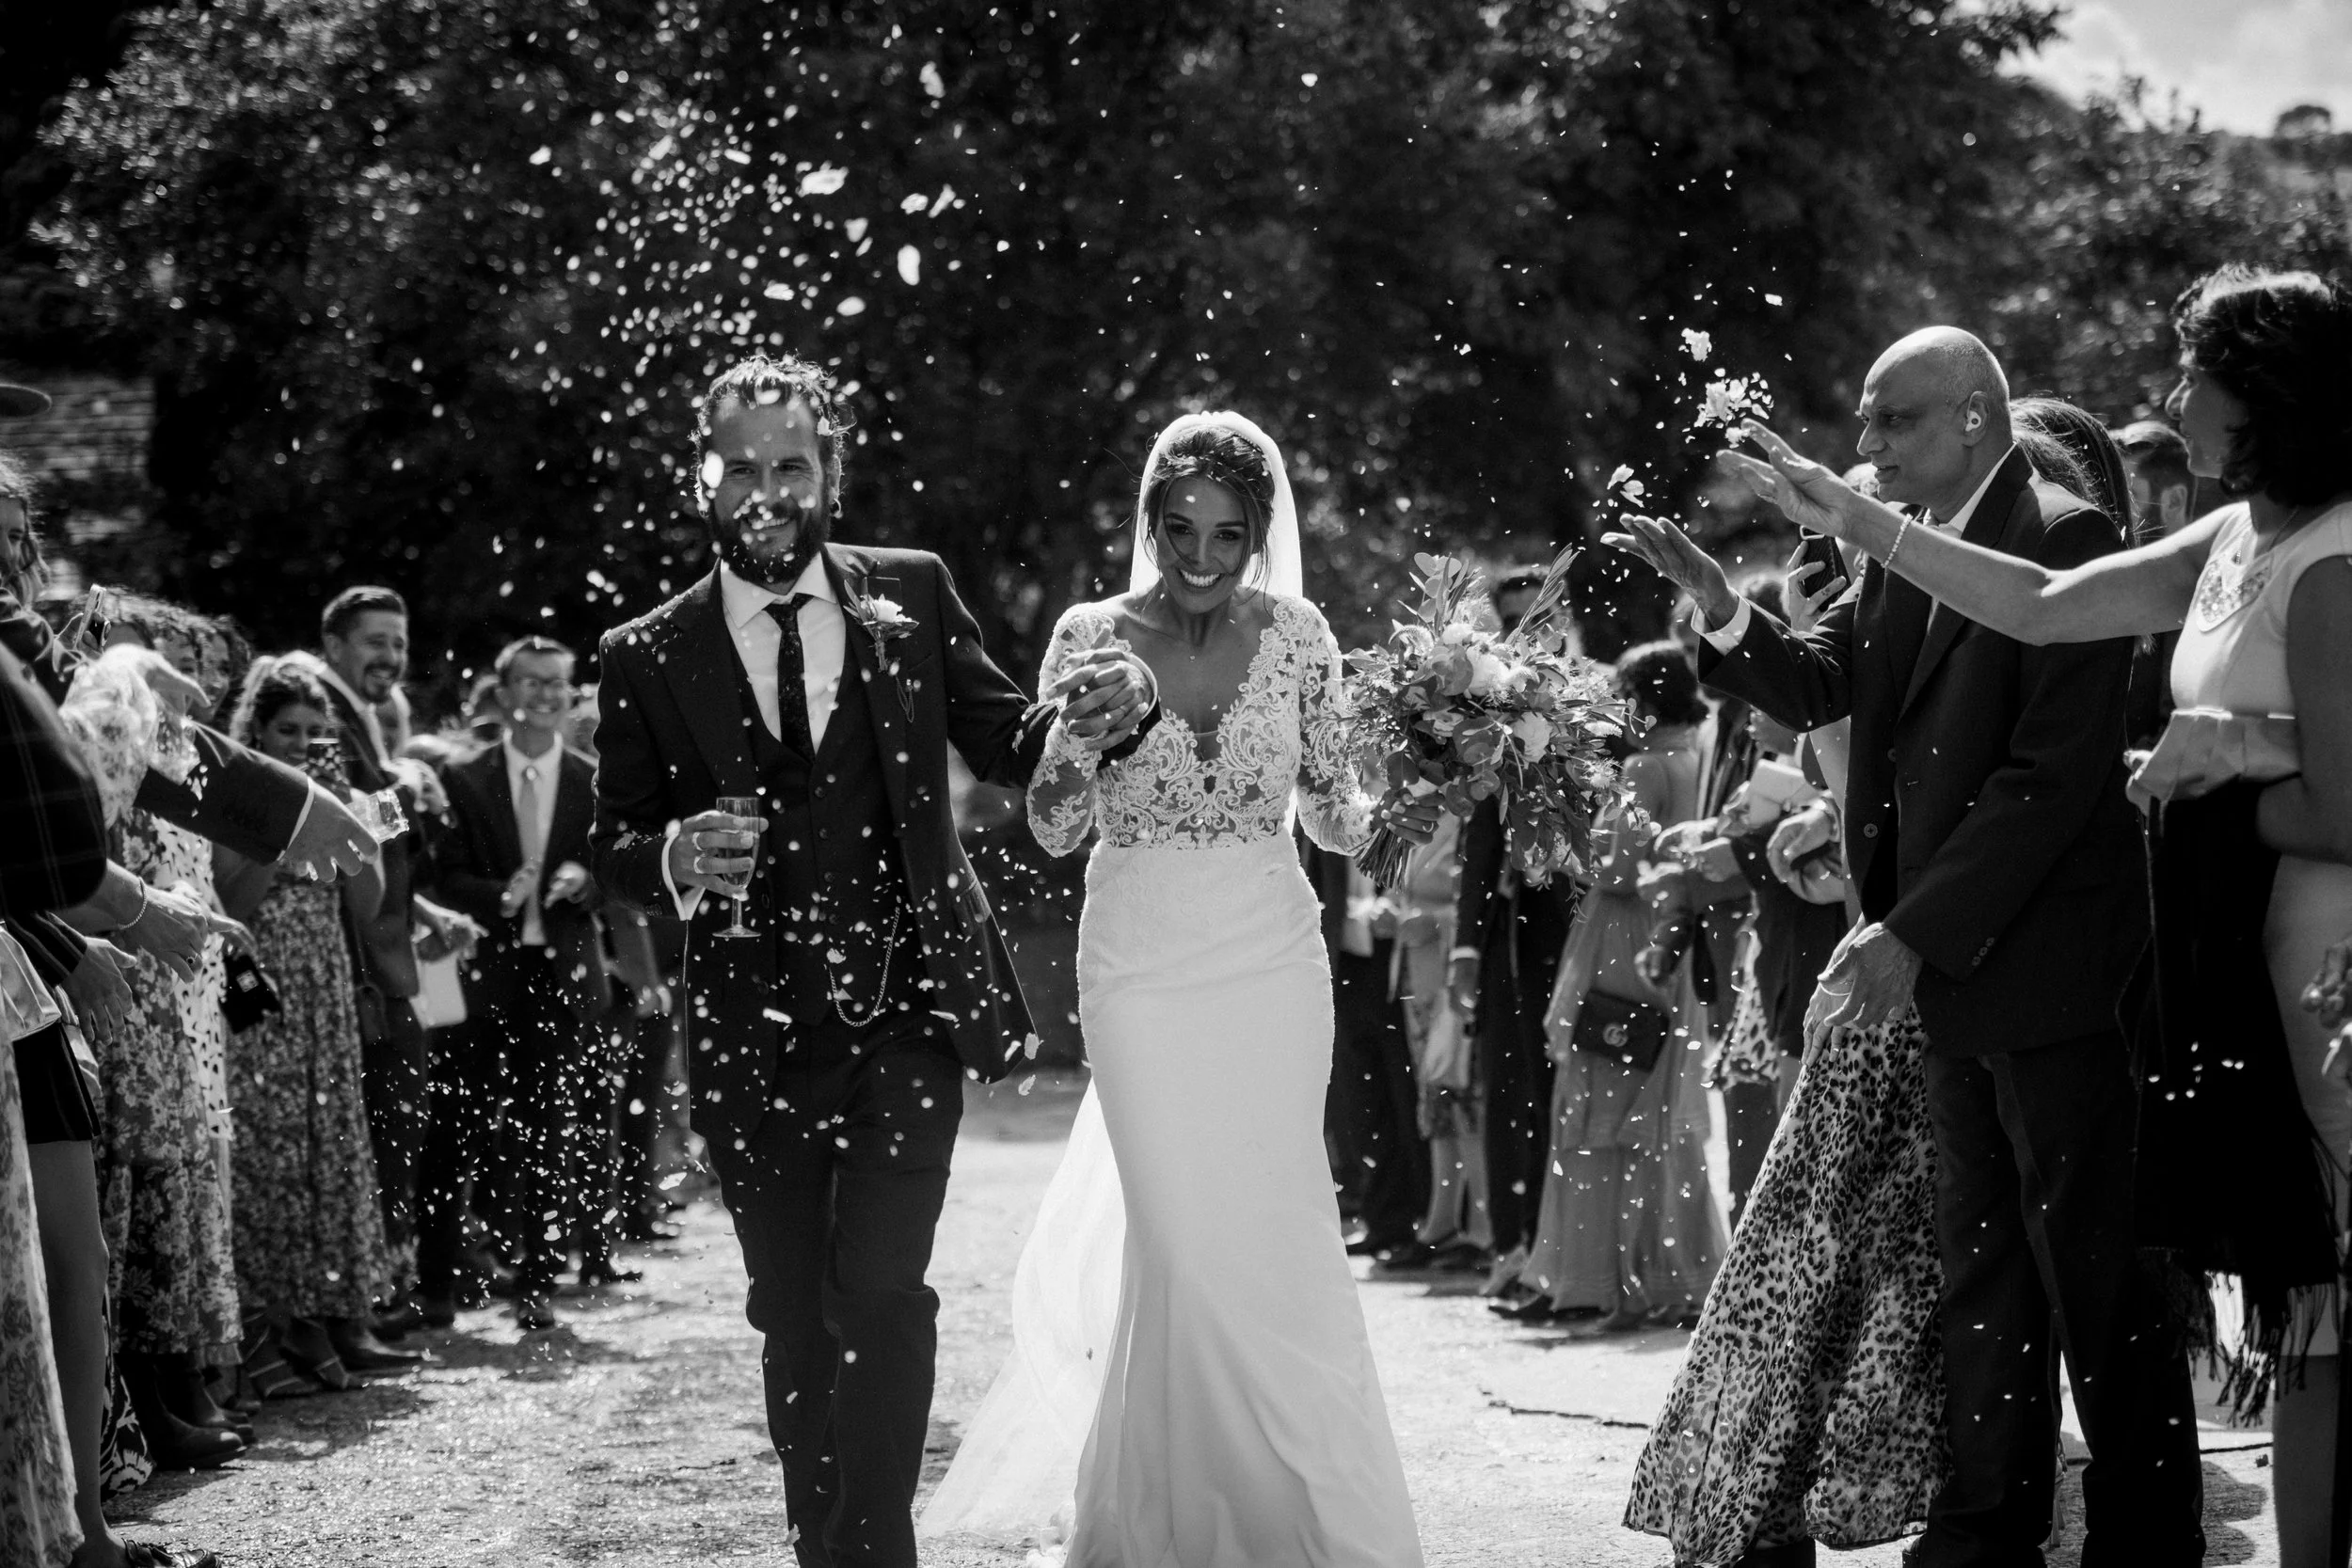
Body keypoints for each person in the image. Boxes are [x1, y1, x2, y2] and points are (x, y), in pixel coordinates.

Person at [1716, 267, 2352, 1568]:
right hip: (2215, 949)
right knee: (2288, 1305)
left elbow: (2331, 806)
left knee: (2237, 1286)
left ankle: (2163, 1534)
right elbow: (2039, 605)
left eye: (2199, 377)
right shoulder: (2230, 541)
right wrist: (1845, 515)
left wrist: (2231, 755)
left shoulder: (2328, 555)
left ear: (2270, 393)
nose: (2176, 401)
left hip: (2293, 954)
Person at [1612, 324, 2205, 1567]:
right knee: (1980, 1263)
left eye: (1893, 422)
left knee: (2096, 1272)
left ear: (1974, 420)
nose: (1866, 447)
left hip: (2051, 969)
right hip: (1944, 973)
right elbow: (1825, 681)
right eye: (1870, 423)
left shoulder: (2065, 535)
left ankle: (2148, 1535)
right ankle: (1987, 1525)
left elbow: (2050, 779)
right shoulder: (1902, 542)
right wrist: (1722, 609)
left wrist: (1908, 933)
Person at [588, 352, 1157, 1568]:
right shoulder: (644, 651)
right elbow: (609, 845)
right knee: (794, 1315)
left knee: (884, 1296)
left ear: (829, 471)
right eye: (740, 463)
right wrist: (673, 851)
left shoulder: (910, 589)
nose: (766, 485)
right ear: (703, 475)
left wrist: (1110, 707)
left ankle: (874, 1552)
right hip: (750, 1032)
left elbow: (1011, 738)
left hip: (906, 1017)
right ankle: (824, 1545)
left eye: (790, 461)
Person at [921, 410, 1437, 1565]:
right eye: (1178, 530)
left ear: (1260, 534)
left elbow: (1332, 813)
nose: (1200, 558)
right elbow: (1053, 829)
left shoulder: (1301, 633)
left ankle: (1306, 1515)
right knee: (1183, 1244)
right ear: (1148, 522)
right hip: (1140, 966)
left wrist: (1426, 772)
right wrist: (1074, 747)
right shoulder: (1087, 633)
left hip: (1268, 957)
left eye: (1227, 534)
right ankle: (1166, 1522)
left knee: (1279, 1234)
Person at [1510, 641, 1724, 1331]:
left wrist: (1566, 838)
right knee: (1657, 1116)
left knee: (1603, 1107)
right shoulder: (1701, 757)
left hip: (1623, 945)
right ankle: (1673, 1272)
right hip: (1672, 941)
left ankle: (1610, 1280)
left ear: (1643, 701)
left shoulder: (1643, 766)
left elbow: (1621, 866)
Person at [214, 657, 407, 1382]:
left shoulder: (337, 790)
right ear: (256, 727)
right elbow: (233, 902)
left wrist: (348, 817)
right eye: (288, 729)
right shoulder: (237, 794)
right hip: (262, 988)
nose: (300, 742)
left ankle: (337, 1311)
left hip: (324, 989)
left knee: (329, 1145)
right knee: (273, 1152)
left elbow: (369, 904)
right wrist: (287, 823)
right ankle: (276, 1325)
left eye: (315, 732)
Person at [423, 635, 610, 1330]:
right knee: (455, 1125)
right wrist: (498, 896)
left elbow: (620, 874)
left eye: (556, 683)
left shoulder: (597, 779)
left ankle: (537, 1283)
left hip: (558, 975)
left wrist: (586, 882)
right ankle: (437, 1286)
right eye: (530, 682)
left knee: (547, 1130)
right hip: (483, 972)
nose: (544, 694)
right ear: (504, 695)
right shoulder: (465, 776)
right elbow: (443, 876)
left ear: (570, 694)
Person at [1453, 565, 1579, 1304]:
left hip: (1576, 922)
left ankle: (1561, 1249)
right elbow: (1477, 840)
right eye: (1510, 619)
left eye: (1537, 616)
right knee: (1506, 1085)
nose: (1524, 630)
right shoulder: (1483, 709)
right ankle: (1510, 1243)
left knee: (1563, 1087)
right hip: (1506, 932)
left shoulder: (1593, 698)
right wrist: (1465, 945)